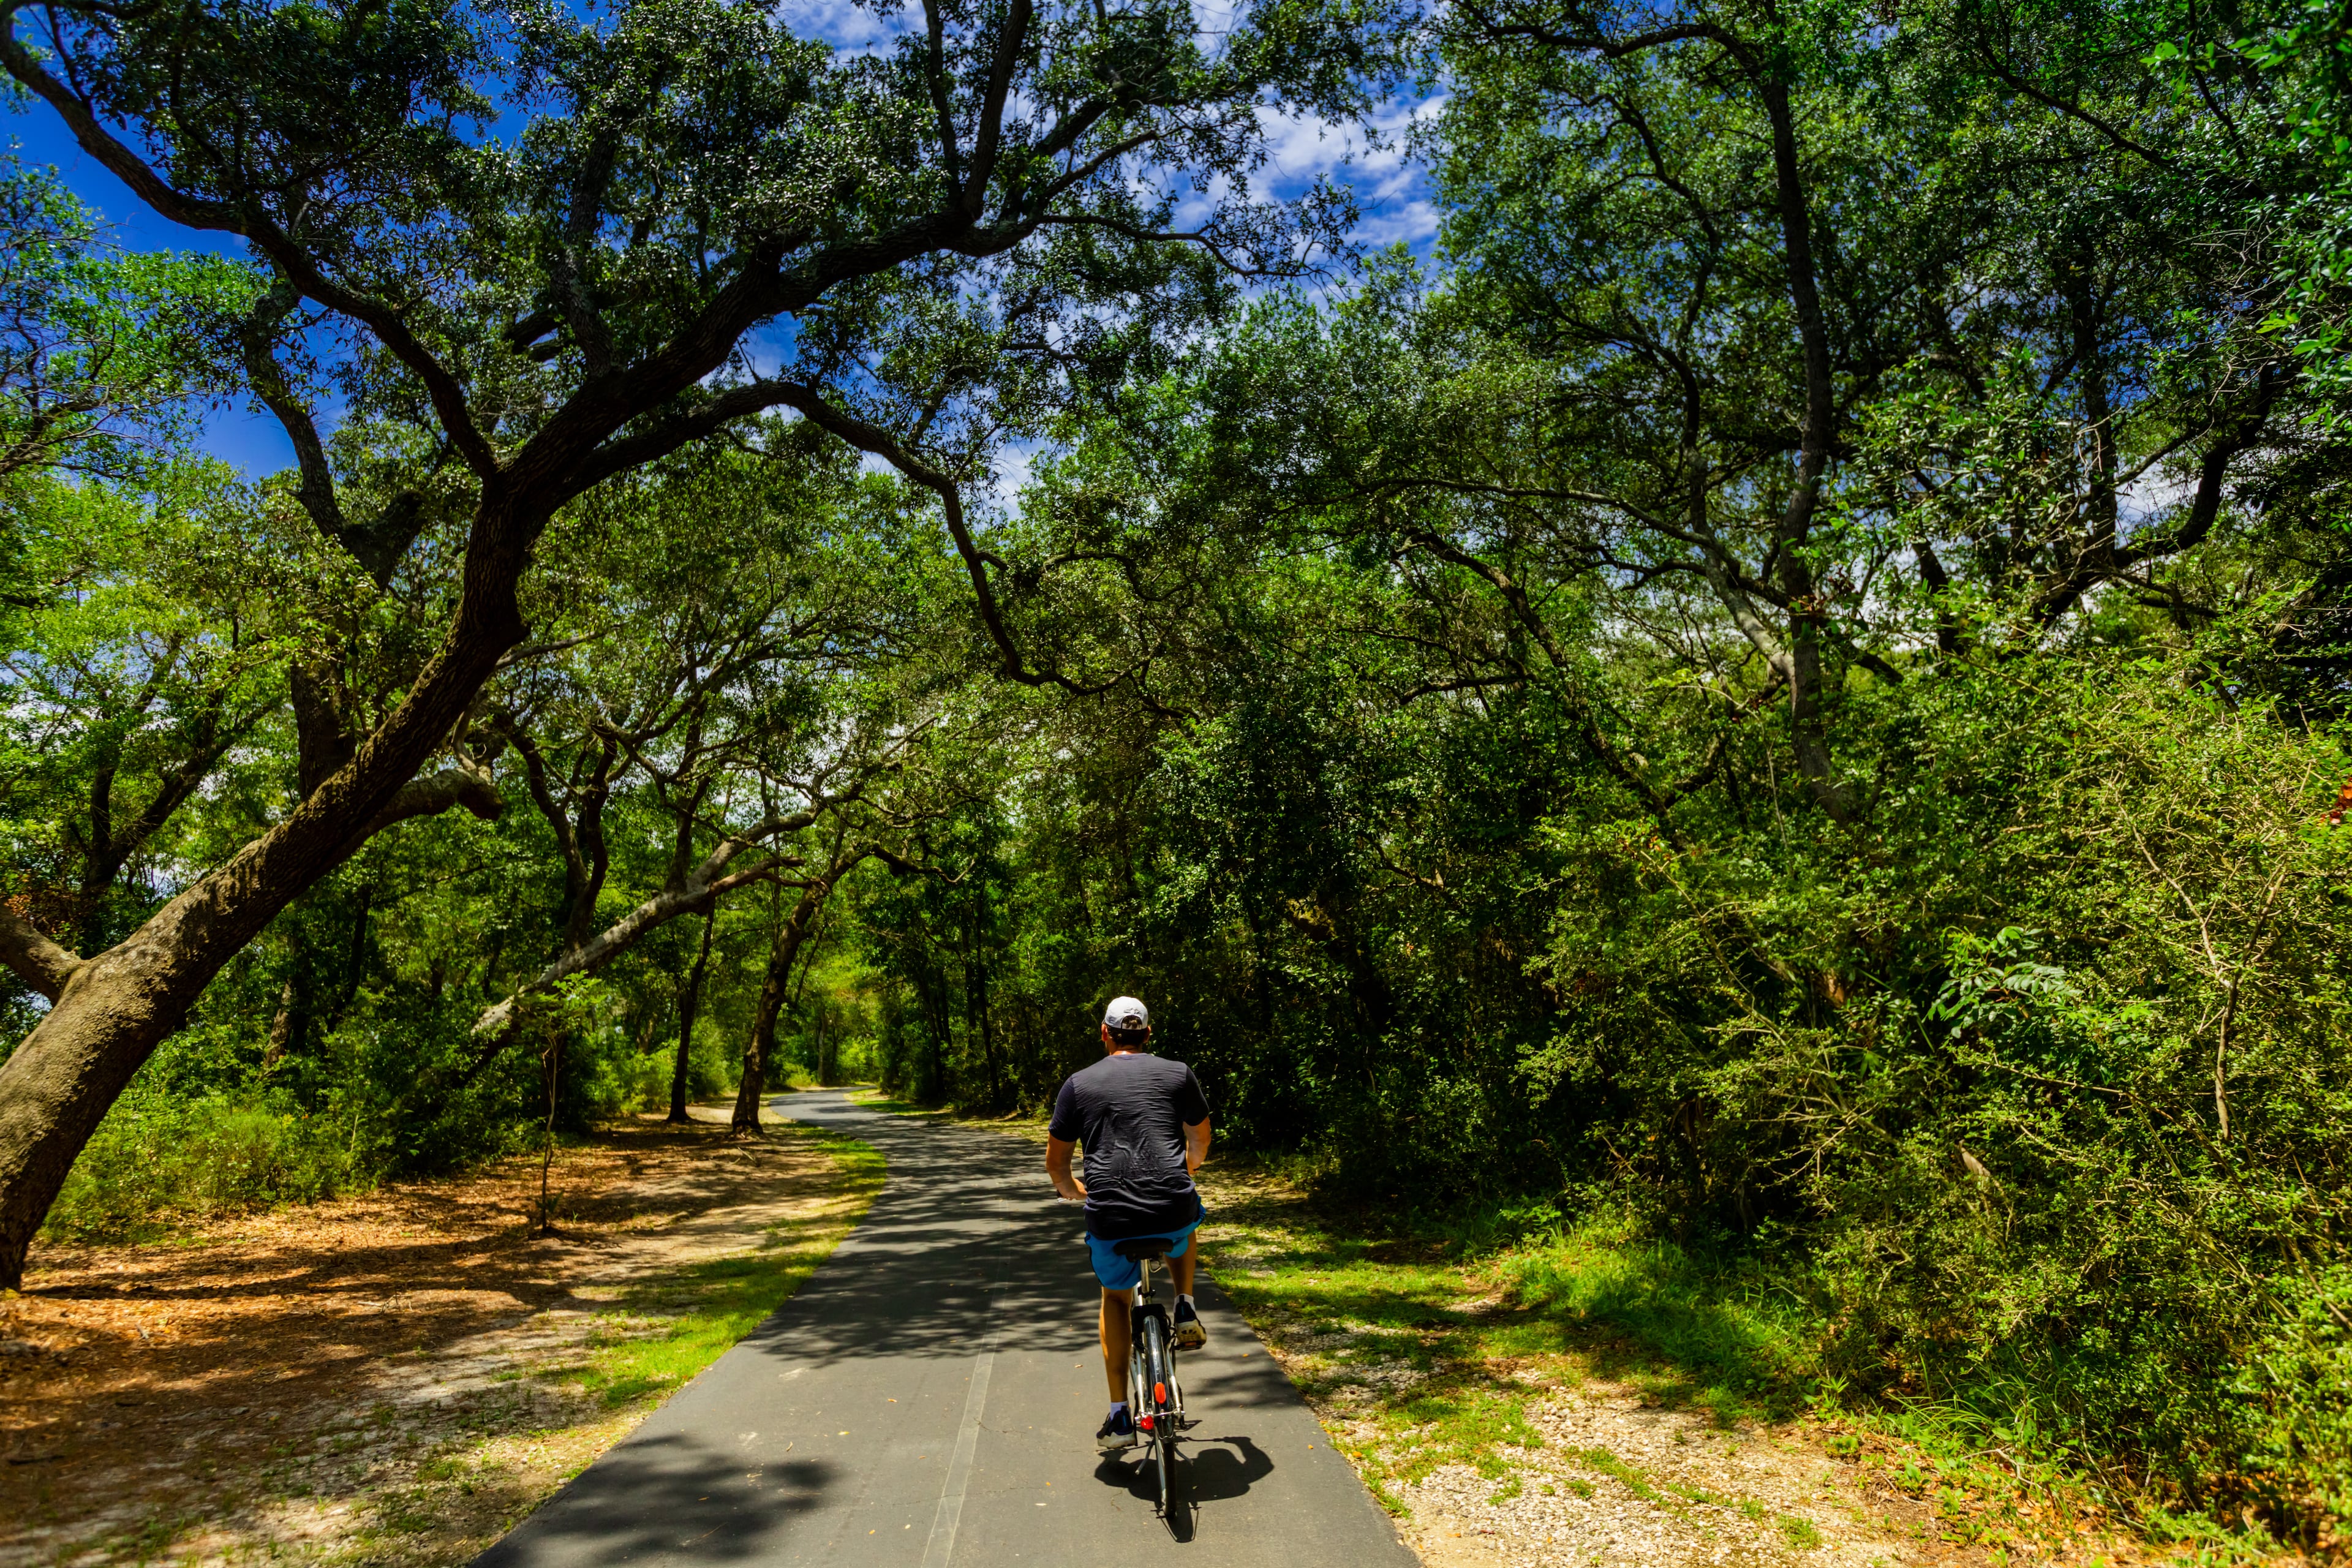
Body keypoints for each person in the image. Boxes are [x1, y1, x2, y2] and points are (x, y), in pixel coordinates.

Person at [1046, 995, 1212, 1453]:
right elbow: (1199, 1140)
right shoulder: (1178, 1073)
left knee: (1115, 1300)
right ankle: (1184, 1303)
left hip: (1112, 1215)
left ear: (1104, 1034)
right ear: (1149, 1035)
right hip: (1172, 1207)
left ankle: (1121, 1413)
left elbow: (1057, 1164)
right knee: (1188, 1212)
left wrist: (1075, 1191)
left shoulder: (1078, 1084)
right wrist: (1186, 1169)